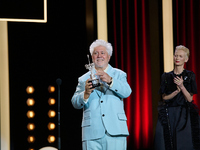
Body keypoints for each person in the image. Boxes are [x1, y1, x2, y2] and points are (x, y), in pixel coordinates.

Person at [71, 39, 132, 150]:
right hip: (91, 133)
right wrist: (85, 94)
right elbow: (75, 102)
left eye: (102, 53)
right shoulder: (83, 79)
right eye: (96, 53)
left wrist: (111, 81)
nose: (99, 56)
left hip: (116, 131)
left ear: (108, 56)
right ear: (92, 57)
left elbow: (127, 92)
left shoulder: (119, 74)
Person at [154, 45, 200, 150]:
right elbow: (164, 97)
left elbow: (189, 99)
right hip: (169, 113)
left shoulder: (190, 75)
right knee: (166, 143)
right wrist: (176, 92)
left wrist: (182, 86)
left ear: (186, 59)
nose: (177, 58)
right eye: (176, 55)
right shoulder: (166, 76)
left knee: (183, 143)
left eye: (180, 56)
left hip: (184, 115)